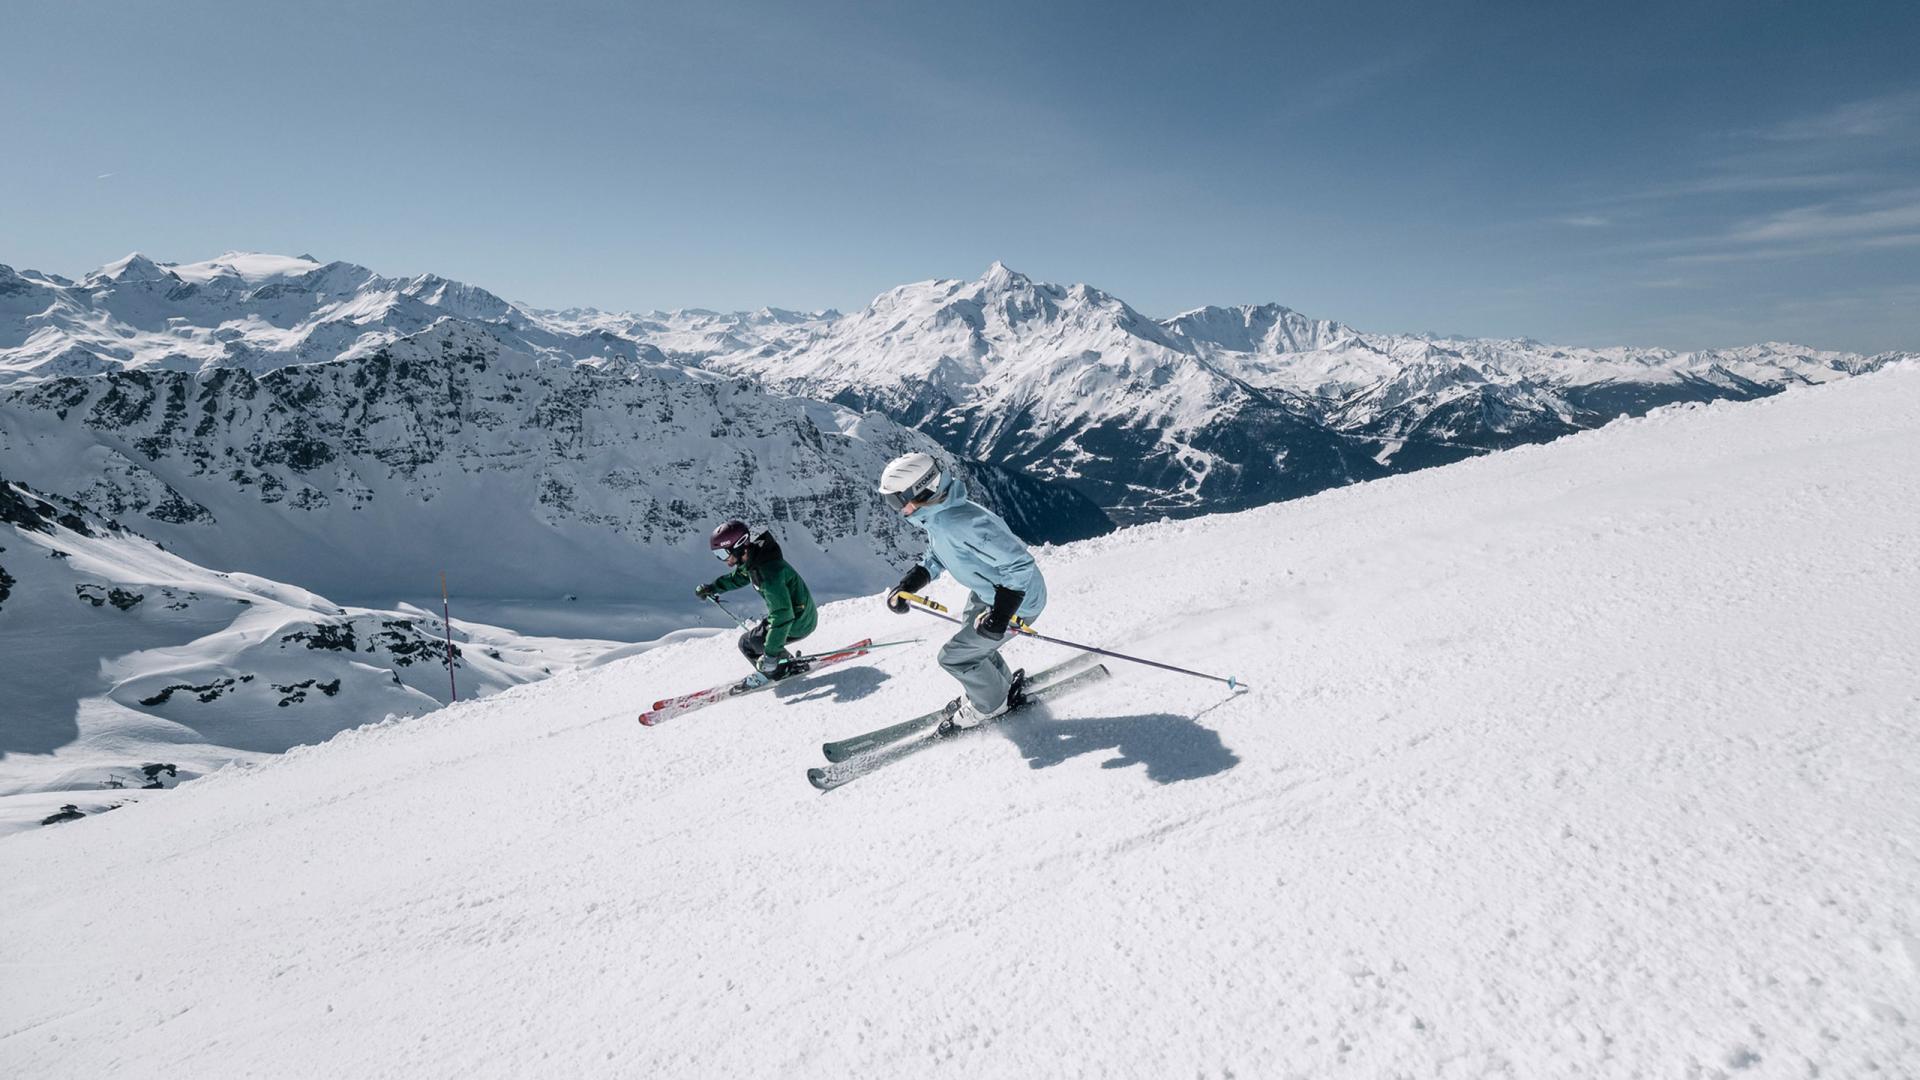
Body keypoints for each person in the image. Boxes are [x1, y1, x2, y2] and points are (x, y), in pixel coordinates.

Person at [877, 452, 1047, 732]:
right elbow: (939, 553)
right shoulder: (938, 516)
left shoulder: (960, 522)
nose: (896, 508)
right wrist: (910, 583)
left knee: (955, 657)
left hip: (1019, 601)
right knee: (975, 642)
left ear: (923, 488)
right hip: (989, 592)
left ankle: (991, 704)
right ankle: (997, 687)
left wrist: (1002, 615)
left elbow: (1019, 563)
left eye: (897, 499)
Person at [695, 520, 817, 682]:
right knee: (751, 641)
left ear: (738, 547)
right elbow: (740, 576)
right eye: (718, 555)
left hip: (798, 621)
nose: (724, 560)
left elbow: (782, 615)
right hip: (799, 613)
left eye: (723, 554)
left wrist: (770, 655)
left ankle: (782, 671)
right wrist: (714, 587)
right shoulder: (755, 556)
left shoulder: (766, 574)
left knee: (748, 644)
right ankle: (784, 664)